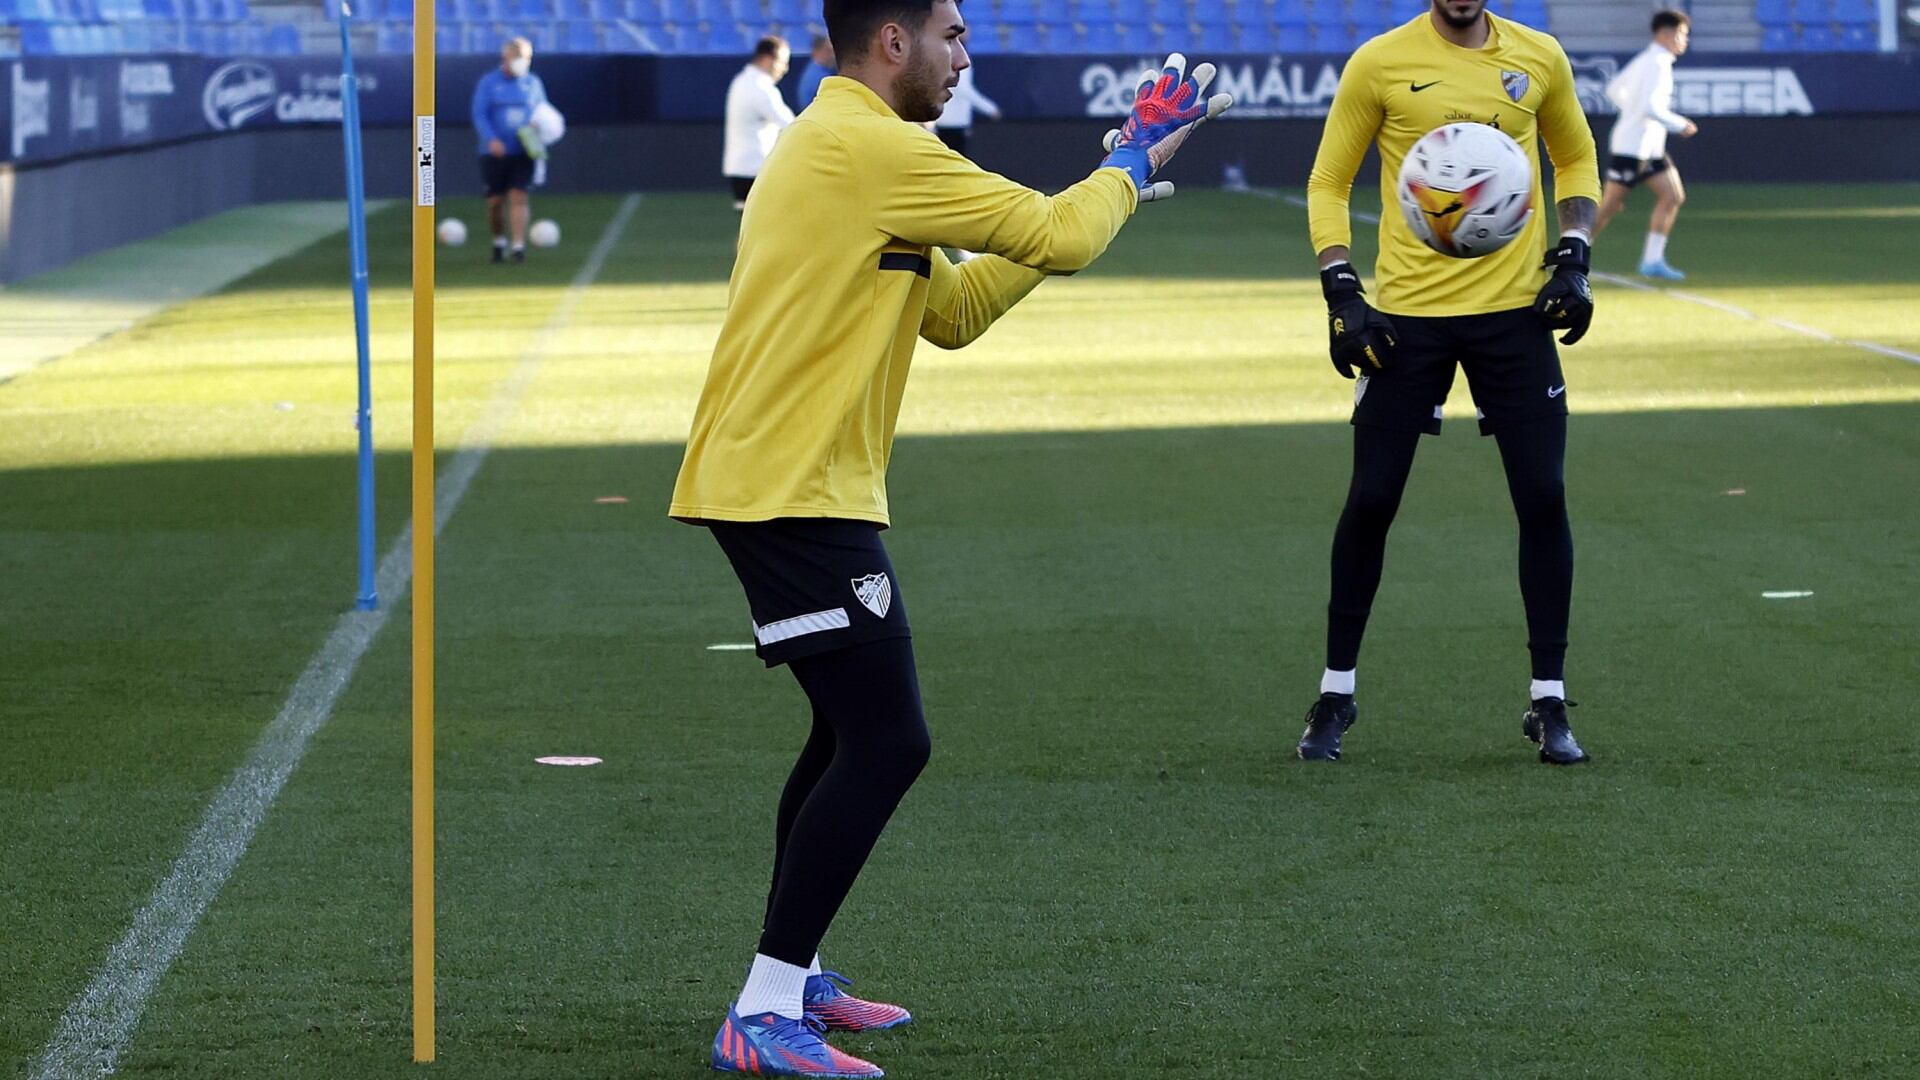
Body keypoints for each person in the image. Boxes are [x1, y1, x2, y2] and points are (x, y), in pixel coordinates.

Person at [667, 0, 1229, 1067]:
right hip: (792, 488)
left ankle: (794, 975)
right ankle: (762, 1011)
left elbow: (956, 312)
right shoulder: (874, 148)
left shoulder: (840, 145)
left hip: (783, 479)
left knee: (846, 733)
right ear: (894, 41)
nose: (966, 57)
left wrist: (1114, 176)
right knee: (890, 741)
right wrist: (1132, 160)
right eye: (953, 37)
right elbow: (1061, 235)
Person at [1298, 0, 1599, 765]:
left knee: (1542, 497)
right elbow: (1329, 179)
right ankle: (1334, 694)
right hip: (1407, 321)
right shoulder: (1379, 61)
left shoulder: (1540, 57)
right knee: (1371, 500)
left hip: (1514, 318)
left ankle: (1550, 702)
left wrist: (1574, 252)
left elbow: (1577, 159)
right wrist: (1342, 290)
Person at [1596, 9, 1697, 280]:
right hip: (1631, 147)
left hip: (1650, 148)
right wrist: (1680, 124)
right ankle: (1572, 253)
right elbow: (1651, 107)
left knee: (1673, 195)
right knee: (1610, 206)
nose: (1685, 41)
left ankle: (1652, 260)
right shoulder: (1658, 63)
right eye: (1683, 34)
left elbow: (1614, 89)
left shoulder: (1648, 59)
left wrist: (1632, 111)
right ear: (1666, 33)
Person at [470, 37, 547, 264]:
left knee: (518, 195)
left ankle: (518, 246)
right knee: (494, 201)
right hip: (494, 152)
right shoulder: (489, 82)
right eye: (518, 57)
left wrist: (536, 128)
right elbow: (480, 113)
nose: (523, 62)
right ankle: (498, 241)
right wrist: (491, 139)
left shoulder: (533, 83)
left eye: (527, 58)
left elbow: (542, 111)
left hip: (523, 151)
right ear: (506, 57)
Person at [723, 36, 796, 211]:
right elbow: (792, 125)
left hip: (739, 167)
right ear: (767, 59)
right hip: (756, 170)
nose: (784, 69)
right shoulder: (761, 88)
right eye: (782, 62)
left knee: (749, 233)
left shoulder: (740, 81)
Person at [931, 60, 998, 155]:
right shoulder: (960, 63)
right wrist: (990, 109)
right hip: (953, 126)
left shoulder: (942, 60)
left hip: (947, 123)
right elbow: (965, 90)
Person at [796, 34, 836, 108]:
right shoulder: (816, 76)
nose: (833, 54)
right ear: (816, 51)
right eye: (828, 50)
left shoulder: (824, 71)